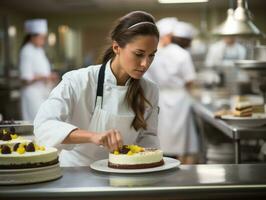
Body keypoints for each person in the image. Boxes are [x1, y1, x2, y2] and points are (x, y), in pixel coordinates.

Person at [34, 11, 160, 167]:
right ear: (116, 47)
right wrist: (92, 136)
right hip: (77, 172)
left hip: (126, 174)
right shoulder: (78, 81)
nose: (145, 64)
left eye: (151, 55)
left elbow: (148, 138)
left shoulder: (150, 90)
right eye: (139, 54)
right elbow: (43, 125)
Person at [145, 19, 199, 164]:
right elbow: (190, 80)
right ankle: (182, 166)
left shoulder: (154, 55)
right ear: (169, 35)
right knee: (182, 139)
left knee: (164, 137)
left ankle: (164, 163)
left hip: (161, 97)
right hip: (180, 99)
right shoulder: (182, 54)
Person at [19, 19, 58, 122]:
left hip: (42, 93)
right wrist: (46, 77)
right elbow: (25, 78)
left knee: (44, 122)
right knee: (36, 124)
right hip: (32, 95)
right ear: (32, 37)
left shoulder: (39, 50)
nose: (43, 41)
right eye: (41, 38)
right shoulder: (26, 51)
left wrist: (49, 77)